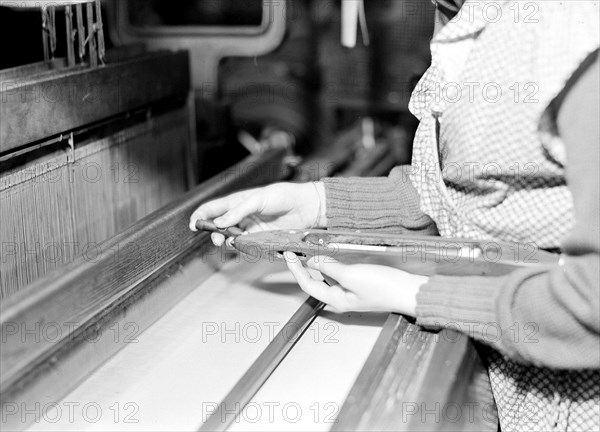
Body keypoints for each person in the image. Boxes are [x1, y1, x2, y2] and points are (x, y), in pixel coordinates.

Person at [190, 1, 599, 430]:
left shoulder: (568, 34)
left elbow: (591, 302)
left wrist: (413, 294)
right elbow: (452, 189)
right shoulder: (464, 14)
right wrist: (313, 203)